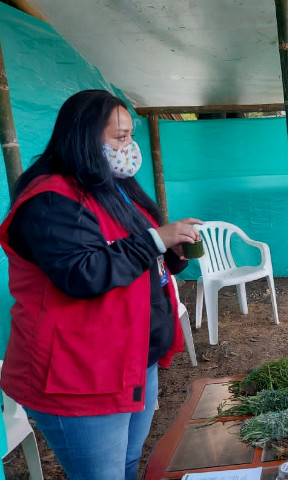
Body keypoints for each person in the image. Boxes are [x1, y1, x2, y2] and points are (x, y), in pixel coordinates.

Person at [0, 90, 202, 480]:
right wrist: (156, 240)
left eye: (130, 135)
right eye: (120, 137)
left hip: (131, 359)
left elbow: (132, 252)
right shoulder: (49, 201)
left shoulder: (113, 186)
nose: (129, 146)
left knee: (127, 464)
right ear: (82, 137)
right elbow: (83, 273)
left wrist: (171, 250)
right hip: (80, 374)